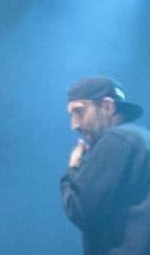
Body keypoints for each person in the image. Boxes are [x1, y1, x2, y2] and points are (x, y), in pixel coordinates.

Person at [61, 76, 150, 254]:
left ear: (108, 107)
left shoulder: (116, 139)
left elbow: (81, 210)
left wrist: (73, 168)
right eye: (71, 115)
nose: (74, 125)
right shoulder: (141, 139)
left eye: (79, 111)